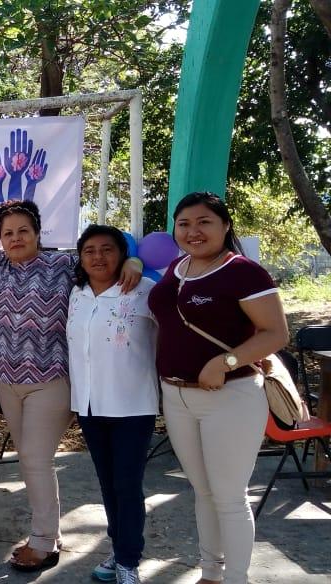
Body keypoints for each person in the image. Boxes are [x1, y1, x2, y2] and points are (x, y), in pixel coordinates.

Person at [0, 200, 141, 572]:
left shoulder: (65, 264)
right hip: (7, 380)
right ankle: (48, 532)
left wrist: (132, 259)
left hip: (51, 380)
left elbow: (111, 251)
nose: (16, 238)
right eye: (8, 233)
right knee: (31, 461)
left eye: (24, 230)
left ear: (38, 232)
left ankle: (42, 542)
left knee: (37, 459)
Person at [148, 192, 288, 584]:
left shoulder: (244, 272)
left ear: (225, 226)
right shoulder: (177, 268)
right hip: (176, 396)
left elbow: (276, 333)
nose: (194, 231)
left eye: (204, 222)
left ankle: (236, 578)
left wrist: (225, 362)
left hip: (230, 398)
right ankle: (211, 572)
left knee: (229, 497)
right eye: (184, 223)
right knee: (203, 492)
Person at [66, 225, 159, 584]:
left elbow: (170, 334)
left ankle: (128, 562)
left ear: (122, 254)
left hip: (132, 405)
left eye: (107, 249)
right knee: (107, 484)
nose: (98, 257)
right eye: (89, 250)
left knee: (127, 485)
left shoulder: (145, 291)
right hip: (89, 405)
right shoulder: (77, 293)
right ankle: (118, 550)